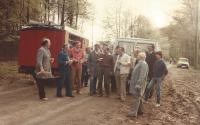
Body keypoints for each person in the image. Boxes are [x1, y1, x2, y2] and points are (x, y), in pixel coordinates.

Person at [127, 52, 149, 117]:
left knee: (136, 98)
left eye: (138, 55)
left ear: (141, 57)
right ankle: (141, 111)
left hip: (138, 84)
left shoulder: (144, 64)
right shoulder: (140, 63)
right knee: (138, 97)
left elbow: (142, 76)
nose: (137, 56)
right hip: (135, 83)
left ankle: (133, 113)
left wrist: (139, 84)